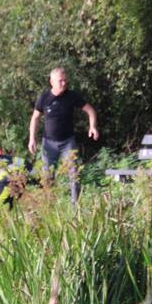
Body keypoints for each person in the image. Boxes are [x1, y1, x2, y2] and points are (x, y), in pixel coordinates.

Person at [28, 67, 99, 203]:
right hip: (49, 144)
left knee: (74, 175)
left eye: (65, 80)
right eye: (60, 81)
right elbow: (35, 118)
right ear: (51, 82)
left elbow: (90, 110)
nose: (64, 83)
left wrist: (93, 127)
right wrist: (32, 138)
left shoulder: (72, 96)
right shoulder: (44, 98)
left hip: (68, 143)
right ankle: (50, 208)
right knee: (48, 178)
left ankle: (75, 208)